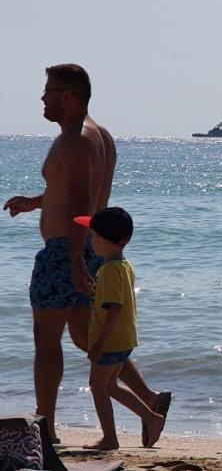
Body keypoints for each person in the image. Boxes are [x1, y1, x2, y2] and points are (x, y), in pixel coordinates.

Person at [4, 64, 166, 442]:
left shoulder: (74, 140)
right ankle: (150, 400)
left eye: (48, 91)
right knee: (86, 337)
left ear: (68, 96)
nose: (42, 98)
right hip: (87, 247)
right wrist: (36, 202)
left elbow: (80, 199)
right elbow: (76, 192)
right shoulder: (101, 136)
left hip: (67, 250)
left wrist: (75, 259)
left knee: (46, 340)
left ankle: (45, 428)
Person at [76, 207, 166, 450]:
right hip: (124, 338)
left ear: (111, 240)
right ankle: (152, 418)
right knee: (111, 386)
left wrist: (99, 343)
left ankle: (110, 438)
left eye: (95, 236)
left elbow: (114, 309)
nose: (91, 241)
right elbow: (116, 300)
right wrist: (96, 291)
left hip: (110, 340)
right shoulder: (124, 266)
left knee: (98, 387)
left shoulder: (107, 270)